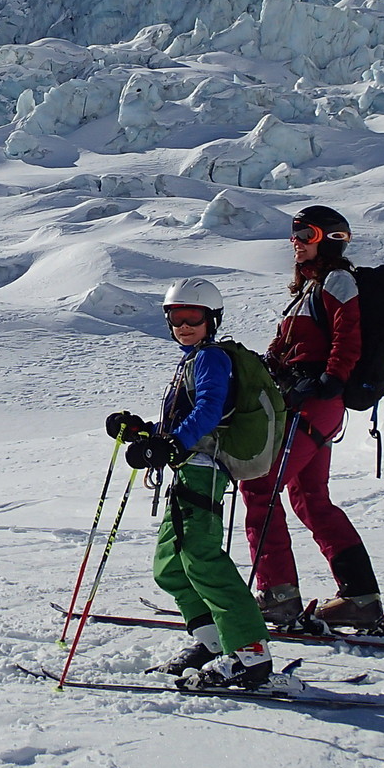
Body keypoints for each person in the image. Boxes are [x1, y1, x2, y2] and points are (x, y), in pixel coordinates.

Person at [109, 279, 273, 688]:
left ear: (211, 320)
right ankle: (214, 640)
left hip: (205, 467)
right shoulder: (192, 359)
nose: (183, 326)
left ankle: (251, 656)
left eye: (192, 318)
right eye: (175, 318)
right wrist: (144, 433)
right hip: (187, 466)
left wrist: (170, 445)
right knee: (169, 565)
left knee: (201, 558)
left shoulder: (212, 359)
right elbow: (180, 425)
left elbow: (207, 410)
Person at [242, 205, 384, 628]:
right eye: (294, 235)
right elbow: (283, 347)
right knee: (310, 499)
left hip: (315, 401)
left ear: (328, 239)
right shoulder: (307, 290)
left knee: (259, 486)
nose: (296, 243)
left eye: (305, 235)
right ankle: (360, 599)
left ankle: (277, 595)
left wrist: (332, 379)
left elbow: (348, 332)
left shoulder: (338, 280)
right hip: (309, 400)